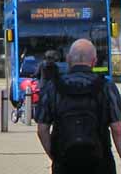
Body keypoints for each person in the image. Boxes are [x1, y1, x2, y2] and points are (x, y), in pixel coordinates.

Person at [35, 39, 121, 173]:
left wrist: (56, 157)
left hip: (65, 164)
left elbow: (42, 129)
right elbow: (117, 130)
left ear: (69, 59)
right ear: (94, 61)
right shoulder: (106, 87)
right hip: (100, 162)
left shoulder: (52, 87)